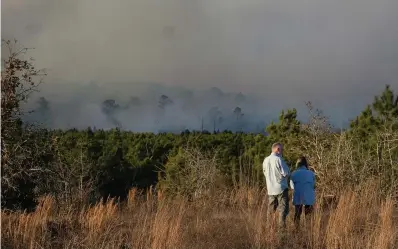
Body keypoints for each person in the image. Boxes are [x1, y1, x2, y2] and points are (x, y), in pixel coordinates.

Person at [263, 142, 290, 228]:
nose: (282, 151)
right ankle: (281, 230)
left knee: (271, 210)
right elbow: (286, 173)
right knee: (282, 209)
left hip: (270, 188)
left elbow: (265, 173)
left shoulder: (265, 160)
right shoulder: (278, 159)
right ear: (277, 149)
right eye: (281, 149)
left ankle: (269, 228)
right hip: (281, 187)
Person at [289, 156, 315, 227]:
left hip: (298, 195)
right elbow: (313, 185)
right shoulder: (311, 173)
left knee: (297, 213)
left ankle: (296, 229)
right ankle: (309, 230)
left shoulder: (293, 173)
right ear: (305, 164)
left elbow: (292, 186)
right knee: (308, 214)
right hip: (309, 196)